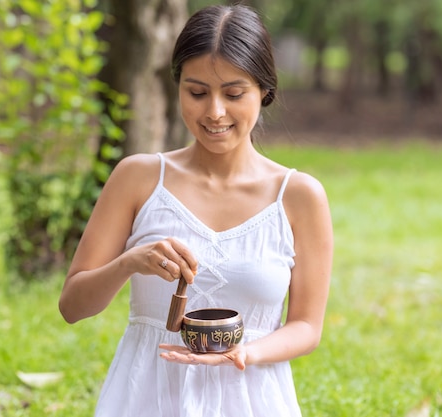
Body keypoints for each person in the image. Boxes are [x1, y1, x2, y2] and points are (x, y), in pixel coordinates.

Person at [58, 4, 333, 417]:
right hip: (145, 397)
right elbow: (72, 306)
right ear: (178, 87)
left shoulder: (298, 196)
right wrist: (129, 262)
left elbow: (307, 327)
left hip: (253, 398)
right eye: (197, 92)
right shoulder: (139, 178)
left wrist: (245, 353)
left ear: (265, 91)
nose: (214, 112)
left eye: (234, 94)